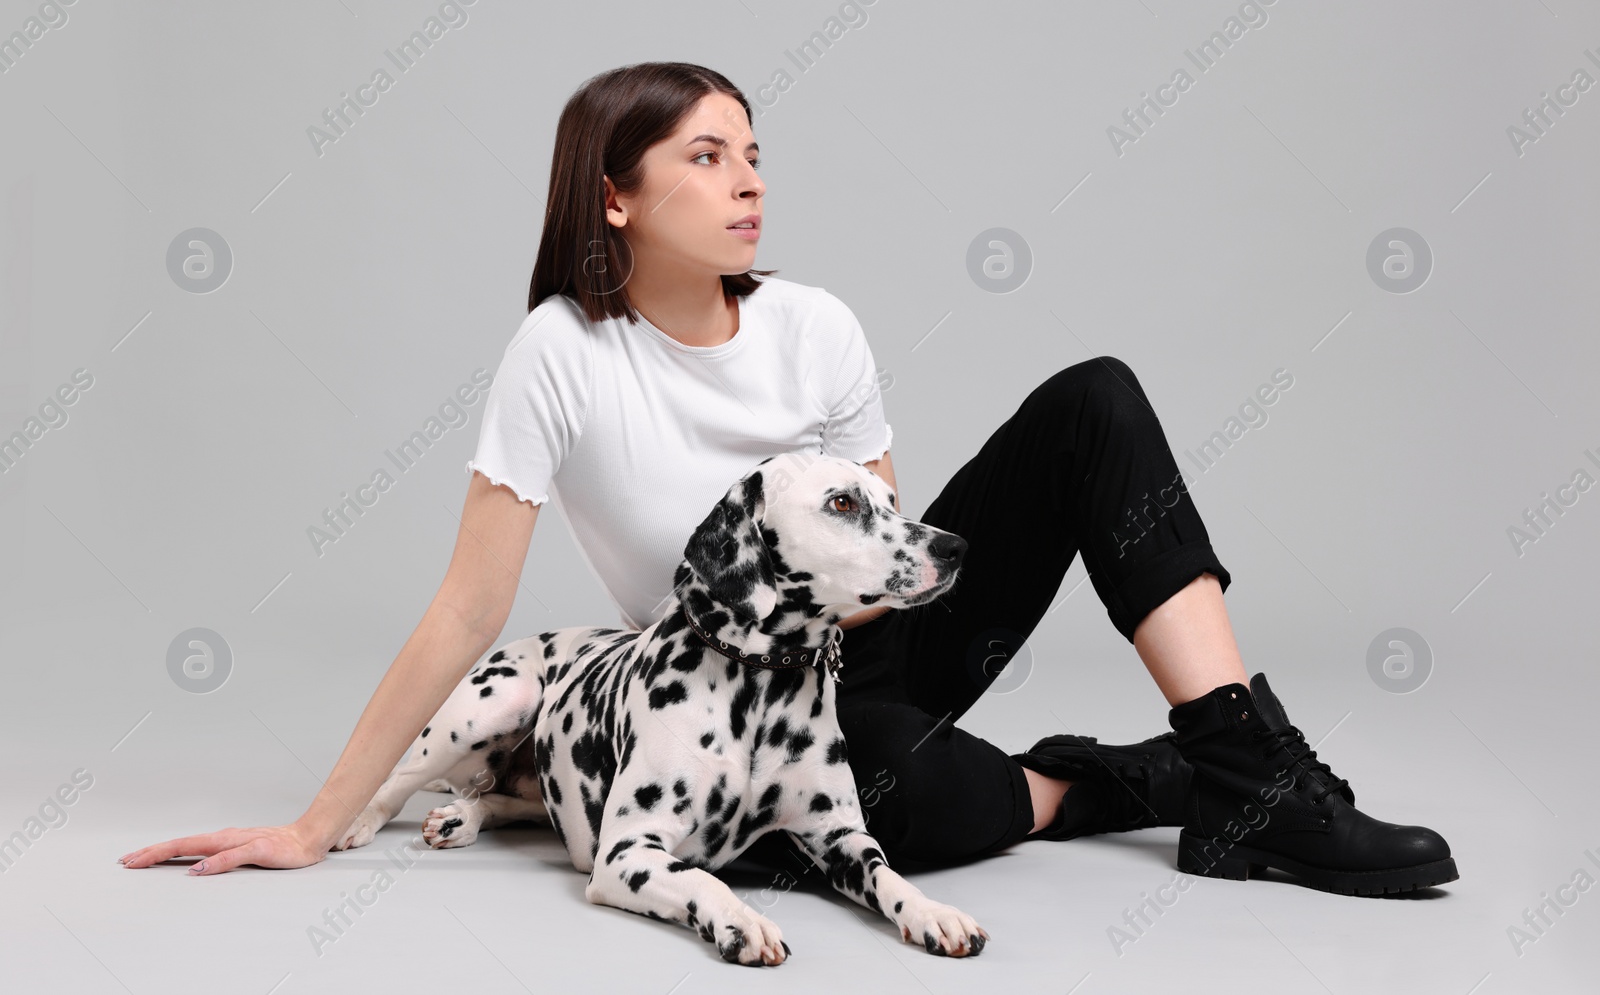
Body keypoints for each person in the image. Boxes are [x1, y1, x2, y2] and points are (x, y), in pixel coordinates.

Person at [120, 62, 1456, 898]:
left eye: (753, 150)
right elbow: (470, 611)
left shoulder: (816, 325)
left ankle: (1254, 770)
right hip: (715, 698)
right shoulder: (559, 356)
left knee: (1095, 399)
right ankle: (1136, 787)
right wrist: (316, 824)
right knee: (888, 817)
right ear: (617, 196)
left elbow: (881, 560)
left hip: (872, 648)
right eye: (707, 155)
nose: (748, 178)